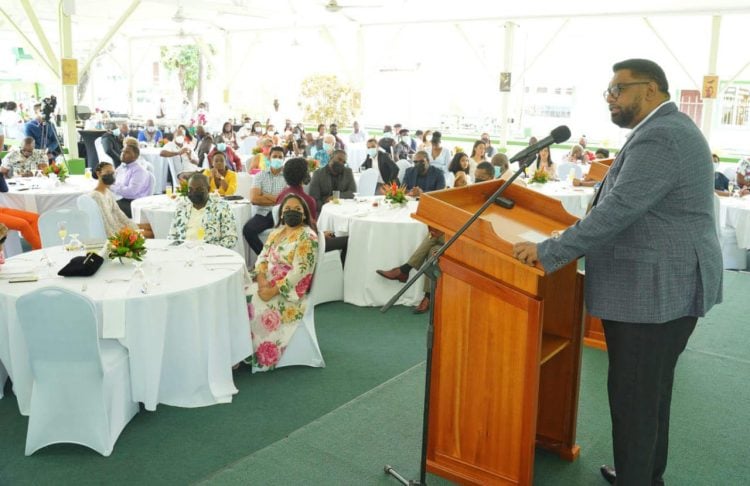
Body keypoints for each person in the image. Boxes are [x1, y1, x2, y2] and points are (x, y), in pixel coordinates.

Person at [512, 58, 723, 486]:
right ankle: (642, 474)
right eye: (608, 91)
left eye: (618, 90)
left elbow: (619, 210)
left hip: (653, 292)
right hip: (664, 285)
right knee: (649, 394)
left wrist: (550, 250)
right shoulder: (663, 129)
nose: (611, 99)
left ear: (651, 90)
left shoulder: (661, 136)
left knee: (635, 398)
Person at [247, 193, 318, 372]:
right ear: (280, 214)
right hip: (267, 281)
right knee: (237, 293)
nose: (291, 213)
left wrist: (272, 291)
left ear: (304, 214)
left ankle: (252, 352)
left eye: (297, 210)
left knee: (249, 300)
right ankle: (240, 349)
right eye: (287, 209)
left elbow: (300, 271)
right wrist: (262, 279)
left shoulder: (307, 237)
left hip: (288, 292)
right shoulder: (276, 232)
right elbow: (262, 257)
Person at [168, 173, 237, 249]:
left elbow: (231, 238)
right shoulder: (181, 207)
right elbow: (172, 236)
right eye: (190, 189)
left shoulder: (222, 207)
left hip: (210, 254)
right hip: (183, 253)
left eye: (199, 189)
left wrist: (211, 250)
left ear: (208, 189)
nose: (194, 192)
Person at [242, 146, 287, 255]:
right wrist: (277, 198)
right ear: (269, 158)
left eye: (280, 157)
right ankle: (266, 257)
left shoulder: (287, 177)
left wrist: (265, 195)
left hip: (282, 213)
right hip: (263, 213)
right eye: (275, 156)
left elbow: (286, 201)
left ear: (284, 159)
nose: (277, 159)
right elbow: (254, 199)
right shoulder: (260, 176)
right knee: (248, 230)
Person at [89, 161, 151, 237]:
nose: (111, 175)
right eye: (108, 172)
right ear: (98, 173)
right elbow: (107, 223)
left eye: (113, 173)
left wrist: (132, 226)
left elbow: (118, 213)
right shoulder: (96, 196)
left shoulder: (108, 192)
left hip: (119, 226)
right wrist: (128, 231)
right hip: (115, 232)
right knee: (153, 233)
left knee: (152, 226)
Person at [308, 150, 357, 214]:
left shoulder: (348, 172)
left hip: (344, 210)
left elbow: (353, 193)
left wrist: (335, 196)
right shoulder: (318, 174)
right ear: (331, 157)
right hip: (324, 210)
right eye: (339, 159)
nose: (341, 163)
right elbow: (314, 198)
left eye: (344, 162)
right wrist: (326, 208)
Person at [110, 144, 152, 218]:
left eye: (127, 152)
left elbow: (131, 192)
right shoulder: (122, 166)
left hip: (134, 203)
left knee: (106, 207)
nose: (123, 154)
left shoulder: (139, 171)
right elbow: (113, 180)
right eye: (122, 151)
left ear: (135, 156)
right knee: (101, 200)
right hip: (122, 198)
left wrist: (112, 187)